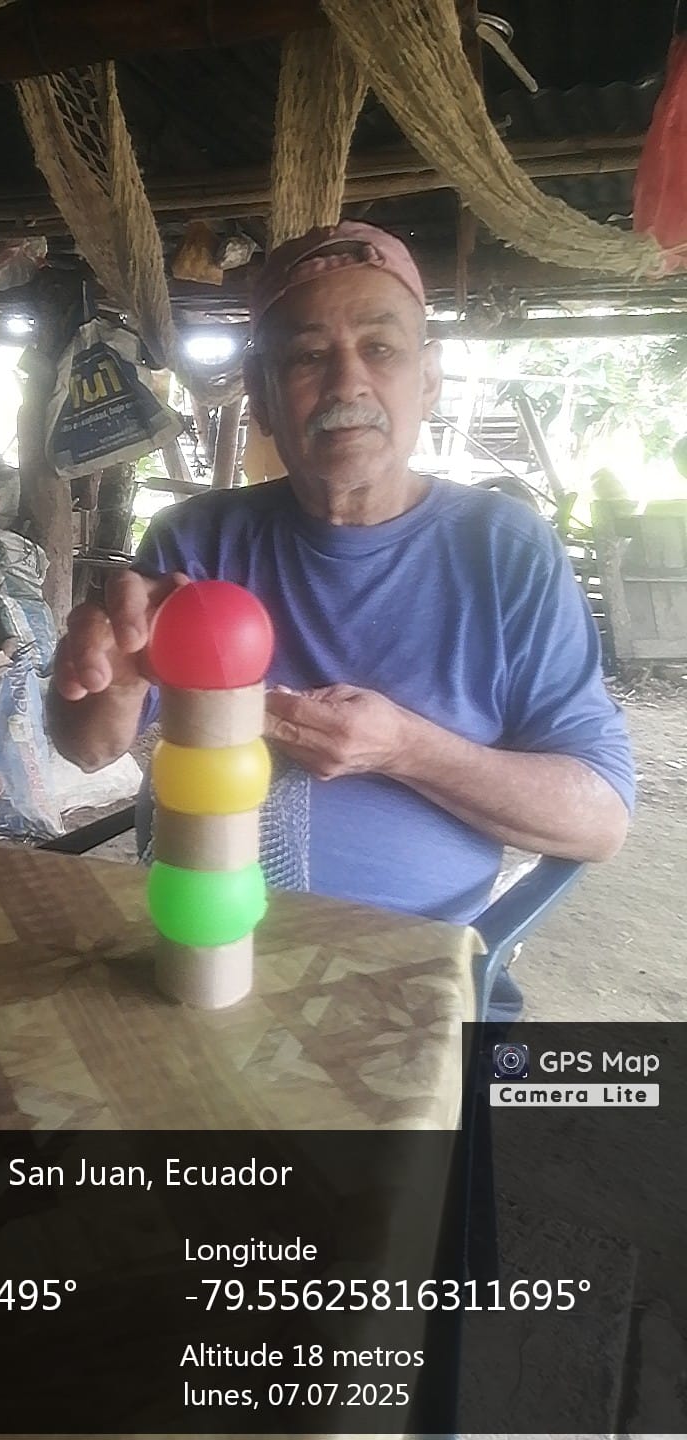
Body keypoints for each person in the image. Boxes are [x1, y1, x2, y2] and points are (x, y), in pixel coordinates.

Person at [47, 221, 634, 1018]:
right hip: (193, 946)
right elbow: (87, 749)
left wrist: (406, 748)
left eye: (380, 349)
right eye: (307, 357)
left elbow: (599, 819)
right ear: (260, 396)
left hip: (404, 971)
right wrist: (111, 678)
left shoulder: (506, 552)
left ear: (429, 379)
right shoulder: (197, 541)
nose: (346, 383)